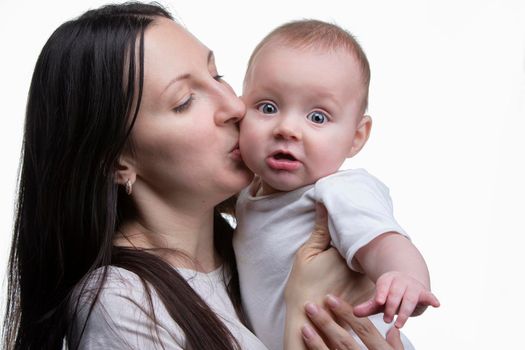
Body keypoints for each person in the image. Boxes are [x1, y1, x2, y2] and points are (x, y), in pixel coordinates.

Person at [2, 3, 405, 350]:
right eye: (184, 101)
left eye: (216, 75)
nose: (233, 105)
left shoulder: (253, 247)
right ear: (116, 161)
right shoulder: (120, 301)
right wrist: (304, 306)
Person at [234, 19, 440, 349]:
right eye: (268, 107)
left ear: (356, 137)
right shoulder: (248, 193)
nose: (287, 128)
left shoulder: (340, 191)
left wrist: (405, 279)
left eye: (317, 117)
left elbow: (386, 242)